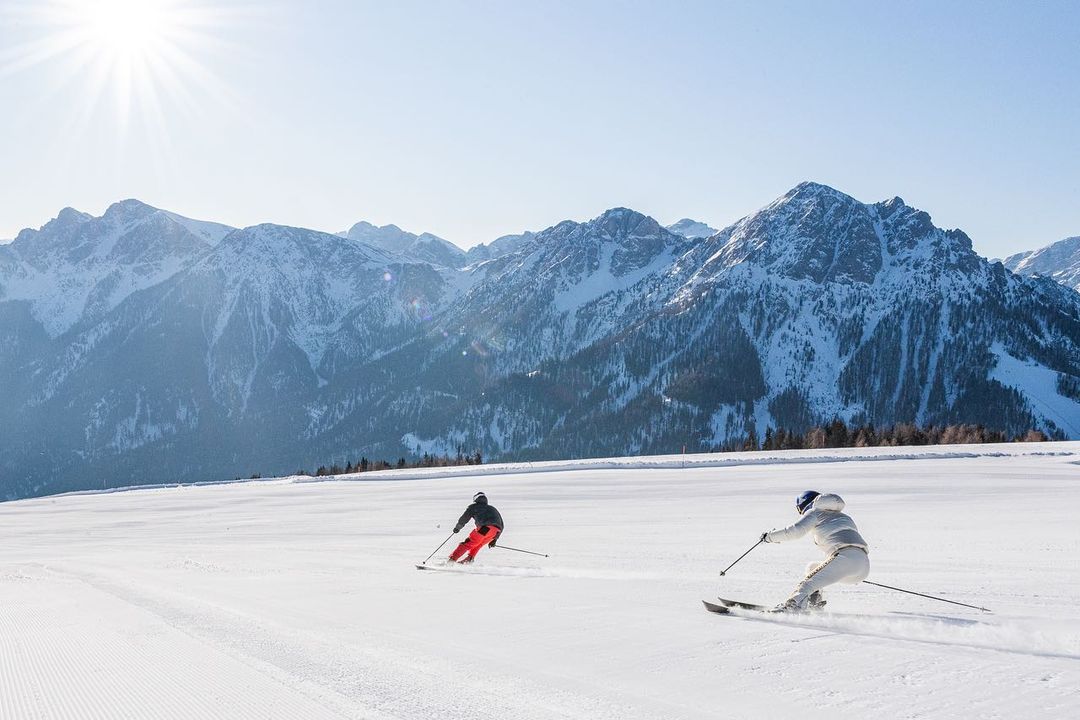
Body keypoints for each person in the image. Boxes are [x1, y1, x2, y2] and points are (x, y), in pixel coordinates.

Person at [762, 490, 869, 612]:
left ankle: (792, 607)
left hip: (844, 557)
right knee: (812, 567)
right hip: (862, 566)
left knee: (807, 583)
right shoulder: (845, 517)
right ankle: (814, 604)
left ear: (804, 505)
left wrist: (769, 537)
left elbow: (795, 531)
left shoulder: (815, 512)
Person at [448, 492, 504, 563]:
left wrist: (458, 527)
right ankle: (469, 559)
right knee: (478, 544)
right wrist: (495, 539)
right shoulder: (492, 508)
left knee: (468, 543)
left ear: (475, 499)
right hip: (495, 531)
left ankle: (451, 561)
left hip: (485, 528)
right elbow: (501, 524)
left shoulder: (473, 507)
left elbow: (465, 518)